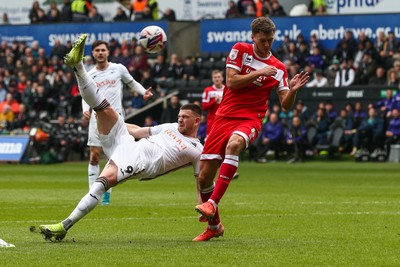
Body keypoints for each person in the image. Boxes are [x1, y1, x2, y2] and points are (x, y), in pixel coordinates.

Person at [39, 34, 203, 241]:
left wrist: (205, 204)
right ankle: (78, 65)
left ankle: (64, 226)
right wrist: (116, 123)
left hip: (142, 162)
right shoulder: (170, 127)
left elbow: (202, 180)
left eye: (185, 118)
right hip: (127, 142)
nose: (179, 120)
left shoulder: (197, 149)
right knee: (102, 107)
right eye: (179, 116)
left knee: (101, 183)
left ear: (197, 121)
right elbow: (140, 131)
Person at [193, 17, 309, 241]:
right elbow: (232, 82)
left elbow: (285, 103)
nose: (267, 44)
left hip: (251, 117)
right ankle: (215, 227)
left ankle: (212, 203)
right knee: (204, 178)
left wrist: (292, 90)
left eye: (270, 40)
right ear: (253, 37)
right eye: (263, 40)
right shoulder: (240, 50)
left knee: (234, 144)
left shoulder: (279, 67)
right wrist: (259, 72)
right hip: (224, 116)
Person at [81, 39, 149, 206]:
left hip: (116, 118)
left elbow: (131, 82)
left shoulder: (118, 69)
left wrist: (143, 92)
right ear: (93, 53)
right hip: (96, 117)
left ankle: (106, 192)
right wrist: (85, 108)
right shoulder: (89, 75)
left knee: (115, 157)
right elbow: (85, 93)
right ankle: (93, 193)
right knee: (94, 155)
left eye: (103, 50)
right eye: (97, 50)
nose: (100, 53)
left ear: (108, 52)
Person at [201, 70, 225, 136]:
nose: (217, 79)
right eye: (215, 77)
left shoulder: (227, 90)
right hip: (212, 119)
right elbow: (204, 107)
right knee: (209, 139)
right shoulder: (208, 90)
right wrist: (214, 101)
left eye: (218, 77)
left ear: (222, 78)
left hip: (224, 119)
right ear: (212, 79)